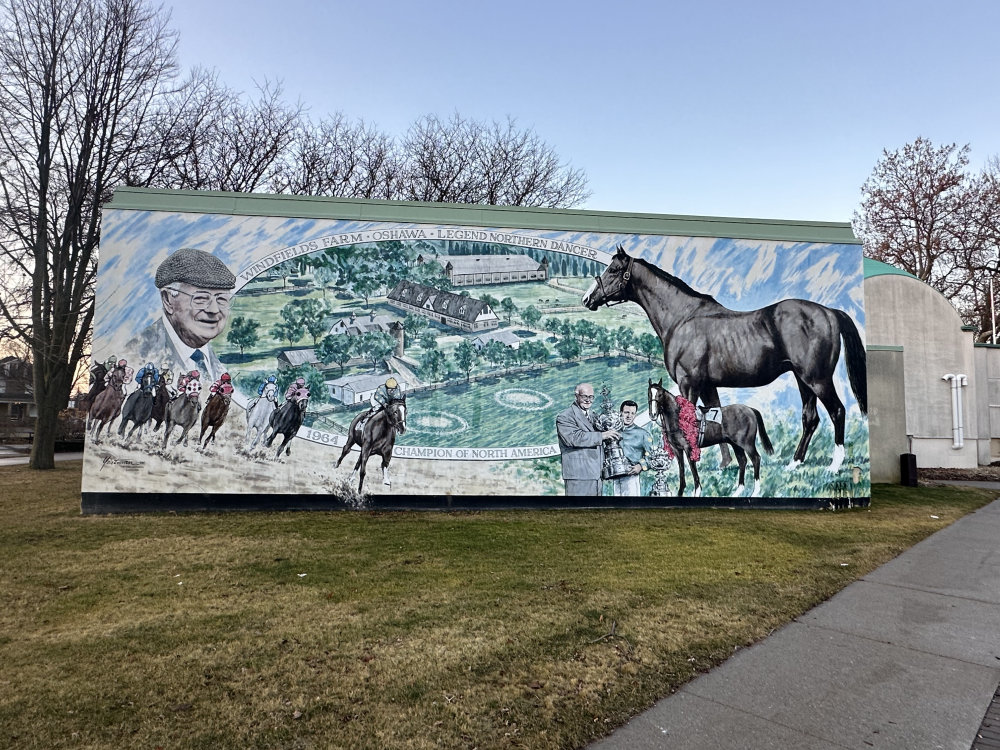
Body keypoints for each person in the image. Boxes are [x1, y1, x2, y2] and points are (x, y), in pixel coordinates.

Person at [124, 247, 235, 384]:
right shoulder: (137, 353)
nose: (214, 309)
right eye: (200, 298)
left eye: (221, 299)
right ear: (168, 300)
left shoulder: (217, 364)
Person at [555, 382, 620, 496]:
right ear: (576, 396)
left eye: (591, 397)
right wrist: (602, 436)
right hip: (579, 476)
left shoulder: (595, 416)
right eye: (584, 396)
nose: (588, 400)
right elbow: (574, 438)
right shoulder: (565, 416)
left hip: (597, 476)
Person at [611, 400, 656, 497]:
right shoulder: (613, 432)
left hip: (631, 477)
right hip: (614, 477)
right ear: (621, 413)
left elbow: (652, 456)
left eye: (632, 413)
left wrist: (640, 466)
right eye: (626, 412)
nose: (629, 416)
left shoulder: (643, 434)